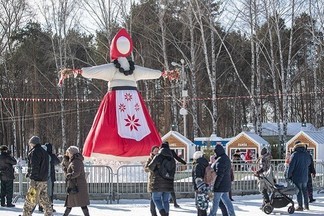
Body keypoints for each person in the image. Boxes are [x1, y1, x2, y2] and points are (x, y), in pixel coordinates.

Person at [59, 28, 162, 160]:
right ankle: (139, 151)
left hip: (116, 99)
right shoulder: (133, 69)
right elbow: (150, 72)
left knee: (108, 126)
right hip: (133, 101)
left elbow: (95, 71)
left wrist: (78, 71)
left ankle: (109, 152)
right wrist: (163, 74)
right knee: (139, 126)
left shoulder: (113, 68)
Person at [22, 136, 53, 216]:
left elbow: (34, 166)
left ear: (32, 143)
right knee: (44, 200)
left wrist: (32, 177)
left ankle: (26, 214)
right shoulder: (44, 152)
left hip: (36, 180)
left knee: (30, 200)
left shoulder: (34, 152)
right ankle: (49, 214)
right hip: (44, 180)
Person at [148, 142, 176, 216]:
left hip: (158, 183)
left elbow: (150, 167)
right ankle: (166, 214)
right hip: (168, 183)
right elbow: (173, 171)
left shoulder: (158, 156)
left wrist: (156, 170)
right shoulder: (172, 159)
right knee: (166, 201)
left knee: (156, 199)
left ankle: (163, 213)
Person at [62, 146, 90, 216]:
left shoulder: (76, 160)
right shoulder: (75, 160)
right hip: (77, 185)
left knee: (74, 203)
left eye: (68, 152)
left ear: (71, 153)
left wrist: (69, 176)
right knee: (76, 203)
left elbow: (76, 172)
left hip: (77, 185)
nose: (67, 154)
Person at [208, 144, 236, 216]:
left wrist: (216, 185)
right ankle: (232, 214)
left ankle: (212, 214)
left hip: (220, 185)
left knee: (215, 201)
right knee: (226, 200)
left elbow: (220, 174)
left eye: (215, 152)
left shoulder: (220, 160)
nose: (215, 154)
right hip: (226, 184)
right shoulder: (226, 158)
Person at [287, 141, 311, 211]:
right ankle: (306, 206)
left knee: (298, 191)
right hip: (305, 176)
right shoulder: (307, 154)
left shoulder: (295, 155)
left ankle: (300, 206)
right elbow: (309, 163)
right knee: (305, 191)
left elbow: (291, 166)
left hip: (297, 176)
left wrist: (288, 175)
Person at [38, 143, 60, 212]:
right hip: (50, 177)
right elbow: (57, 162)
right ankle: (49, 207)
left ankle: (41, 207)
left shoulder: (41, 155)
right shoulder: (51, 156)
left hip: (41, 177)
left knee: (42, 192)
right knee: (50, 193)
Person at [192, 151, 209, 216]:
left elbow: (197, 177)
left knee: (199, 205)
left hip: (199, 187)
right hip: (206, 186)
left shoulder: (197, 165)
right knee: (204, 204)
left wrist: (197, 188)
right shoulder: (206, 163)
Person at [144, 145, 160, 216]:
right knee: (153, 199)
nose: (156, 152)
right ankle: (153, 213)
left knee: (160, 199)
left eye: (157, 150)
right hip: (152, 181)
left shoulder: (161, 158)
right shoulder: (150, 159)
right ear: (152, 151)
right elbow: (146, 169)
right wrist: (152, 167)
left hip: (160, 181)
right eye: (155, 151)